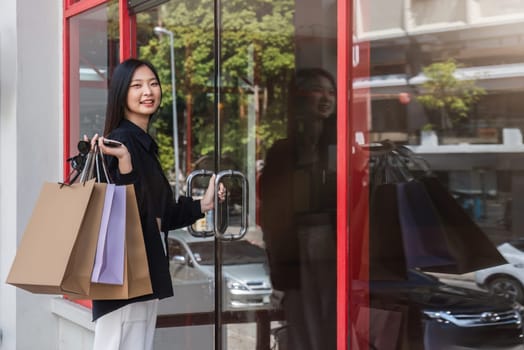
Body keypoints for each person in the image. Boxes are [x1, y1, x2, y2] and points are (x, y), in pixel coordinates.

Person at [87, 58, 225, 350]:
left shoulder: (141, 144)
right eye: (137, 85)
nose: (147, 91)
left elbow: (159, 214)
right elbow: (123, 214)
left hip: (141, 271)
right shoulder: (121, 143)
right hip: (123, 276)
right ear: (122, 93)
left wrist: (203, 204)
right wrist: (124, 164)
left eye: (153, 83)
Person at [260, 67, 337, 350]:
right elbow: (274, 216)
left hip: (337, 244)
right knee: (306, 321)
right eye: (318, 90)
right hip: (301, 247)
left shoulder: (340, 145)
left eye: (331, 92)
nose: (326, 98)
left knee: (334, 317)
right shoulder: (283, 151)